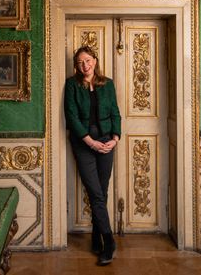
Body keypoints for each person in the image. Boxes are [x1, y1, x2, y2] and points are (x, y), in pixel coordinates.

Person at [64, 46, 121, 266]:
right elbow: (71, 116)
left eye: (87, 61)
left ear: (95, 61)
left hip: (107, 142)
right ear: (76, 66)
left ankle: (96, 235)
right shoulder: (72, 85)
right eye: (80, 62)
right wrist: (90, 141)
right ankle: (109, 242)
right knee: (95, 192)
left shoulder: (107, 84)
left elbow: (115, 111)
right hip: (84, 144)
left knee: (102, 192)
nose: (84, 66)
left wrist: (114, 139)